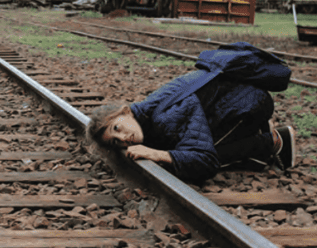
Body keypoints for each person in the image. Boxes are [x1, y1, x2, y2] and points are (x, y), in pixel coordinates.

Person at [87, 41, 296, 183]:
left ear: (126, 111)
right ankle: (255, 133)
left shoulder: (165, 117)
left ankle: (276, 140)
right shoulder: (148, 112)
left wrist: (157, 154)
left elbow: (206, 161)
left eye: (117, 128)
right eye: (115, 141)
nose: (124, 138)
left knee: (200, 157)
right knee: (182, 149)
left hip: (249, 104)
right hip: (235, 101)